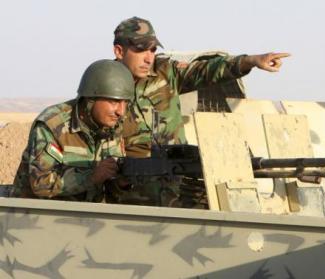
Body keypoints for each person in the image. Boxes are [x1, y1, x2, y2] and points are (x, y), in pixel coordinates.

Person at [111, 16, 290, 206]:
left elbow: (207, 70)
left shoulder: (166, 73)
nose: (148, 58)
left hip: (177, 186)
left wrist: (250, 61)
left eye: (153, 50)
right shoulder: (103, 84)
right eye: (140, 50)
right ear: (119, 51)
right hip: (131, 194)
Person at [9, 60, 135, 202]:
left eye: (125, 103)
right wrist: (91, 176)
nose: (121, 111)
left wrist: (120, 183)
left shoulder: (113, 128)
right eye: (114, 102)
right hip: (38, 216)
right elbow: (41, 183)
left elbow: (108, 185)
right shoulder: (53, 125)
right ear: (90, 99)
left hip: (86, 217)